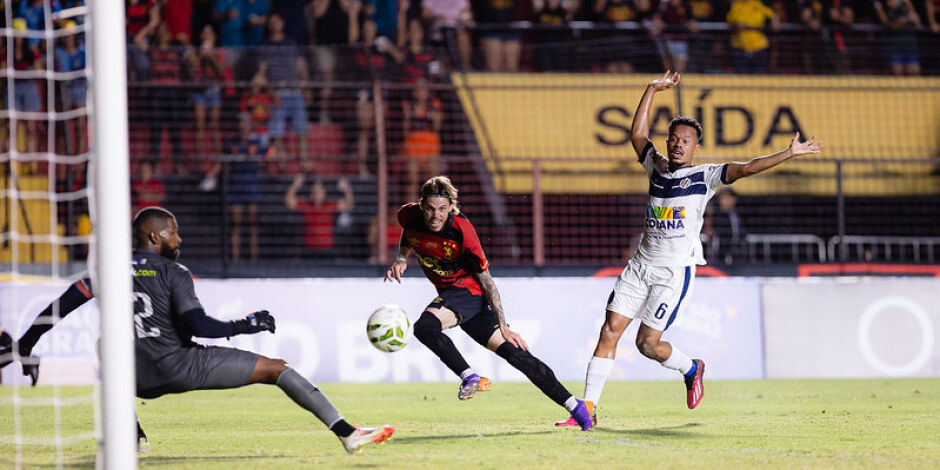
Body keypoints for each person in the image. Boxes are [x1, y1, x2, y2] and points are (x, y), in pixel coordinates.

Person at [554, 71, 822, 427]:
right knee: (608, 331)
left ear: (696, 147)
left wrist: (787, 153)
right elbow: (636, 135)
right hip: (640, 266)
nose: (678, 144)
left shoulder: (706, 176)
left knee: (647, 345)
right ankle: (587, 409)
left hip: (673, 272)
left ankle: (691, 367)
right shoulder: (656, 168)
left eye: (686, 141)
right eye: (674, 139)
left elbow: (746, 168)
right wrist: (650, 89)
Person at [384, 176, 594, 430]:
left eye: (441, 209)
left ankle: (469, 376)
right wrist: (400, 258)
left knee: (424, 327)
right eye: (429, 208)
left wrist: (503, 325)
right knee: (517, 356)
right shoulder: (408, 216)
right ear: (420, 206)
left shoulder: (462, 231)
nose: (435, 215)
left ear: (451, 206)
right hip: (455, 298)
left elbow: (487, 281)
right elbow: (410, 234)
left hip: (468, 292)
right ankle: (577, 407)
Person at [285, 175, 355, 257]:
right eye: (314, 191)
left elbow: (349, 204)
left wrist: (346, 189)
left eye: (319, 191)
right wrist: (295, 185)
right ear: (311, 193)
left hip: (327, 251)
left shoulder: (330, 205)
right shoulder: (306, 205)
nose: (317, 194)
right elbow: (289, 201)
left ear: (324, 193)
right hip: (309, 251)